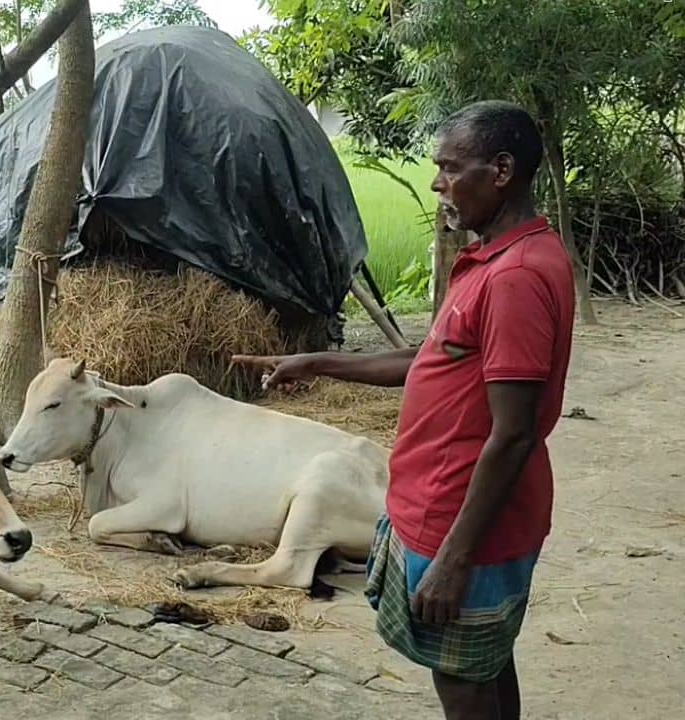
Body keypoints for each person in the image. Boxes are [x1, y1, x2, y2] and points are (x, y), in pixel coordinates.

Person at [233, 100, 576, 720]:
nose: (438, 184)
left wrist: (454, 558)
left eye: (451, 168)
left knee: (464, 682)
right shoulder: (495, 258)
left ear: (501, 170)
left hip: (463, 520)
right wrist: (315, 362)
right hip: (444, 507)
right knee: (484, 663)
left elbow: (515, 434)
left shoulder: (515, 277)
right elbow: (431, 358)